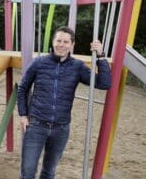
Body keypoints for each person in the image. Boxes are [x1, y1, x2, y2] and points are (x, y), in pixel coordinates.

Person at [17, 26, 111, 179]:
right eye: (58, 40)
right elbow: (22, 88)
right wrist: (23, 114)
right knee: (27, 172)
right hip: (36, 125)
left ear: (72, 45)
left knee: (49, 172)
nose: (61, 45)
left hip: (61, 129)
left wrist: (100, 56)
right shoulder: (39, 63)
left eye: (66, 42)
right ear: (53, 42)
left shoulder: (77, 67)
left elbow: (104, 83)